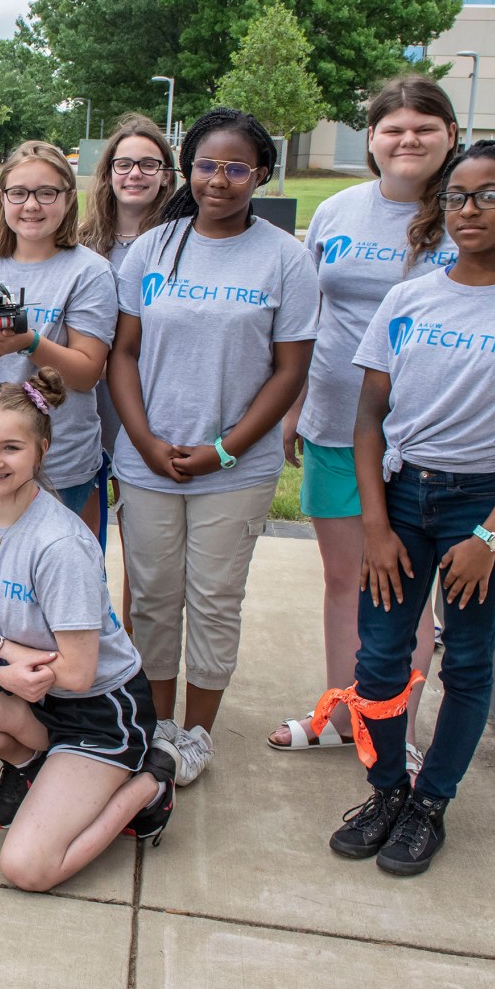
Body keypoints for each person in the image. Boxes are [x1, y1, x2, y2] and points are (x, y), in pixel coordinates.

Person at [326, 141, 495, 875]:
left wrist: (490, 538)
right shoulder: (410, 298)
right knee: (379, 658)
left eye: (489, 196)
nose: (469, 210)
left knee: (466, 661)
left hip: (482, 502)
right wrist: (375, 525)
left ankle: (431, 803)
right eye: (457, 197)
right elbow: (369, 417)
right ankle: (386, 791)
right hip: (403, 497)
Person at [107, 107, 317, 787]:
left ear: (260, 175)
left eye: (235, 168)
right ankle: (157, 724)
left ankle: (195, 735)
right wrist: (141, 438)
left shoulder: (284, 258)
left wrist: (223, 450)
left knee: (215, 598)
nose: (218, 180)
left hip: (235, 467)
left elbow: (290, 371)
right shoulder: (154, 248)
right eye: (206, 165)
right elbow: (125, 352)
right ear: (187, 168)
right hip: (150, 459)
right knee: (153, 598)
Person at [271, 76, 461, 768]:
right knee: (344, 579)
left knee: (403, 591)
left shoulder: (466, 212)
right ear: (372, 138)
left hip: (427, 436)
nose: (407, 140)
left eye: (424, 127)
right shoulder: (339, 212)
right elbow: (307, 320)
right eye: (394, 128)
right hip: (333, 422)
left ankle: (396, 732)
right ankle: (345, 714)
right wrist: (294, 408)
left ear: (450, 136)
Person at [0, 370, 175, 891]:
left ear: (41, 450)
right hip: (35, 693)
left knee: (27, 869)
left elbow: (78, 673)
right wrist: (0, 665)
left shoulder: (59, 544)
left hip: (100, 710)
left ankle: (149, 782)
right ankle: (34, 763)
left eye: (11, 447)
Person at [0, 142, 119, 675]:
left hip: (57, 456)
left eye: (47, 193)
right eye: (18, 193)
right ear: (2, 200)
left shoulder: (88, 270)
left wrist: (27, 340)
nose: (32, 205)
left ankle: (46, 690)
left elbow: (88, 370)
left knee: (47, 583)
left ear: (69, 199)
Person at [83, 114, 176, 545]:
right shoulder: (80, 242)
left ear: (166, 175)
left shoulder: (183, 244)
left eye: (148, 164)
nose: (135, 174)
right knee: (84, 535)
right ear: (108, 174)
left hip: (152, 403)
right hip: (89, 404)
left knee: (142, 545)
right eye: (124, 164)